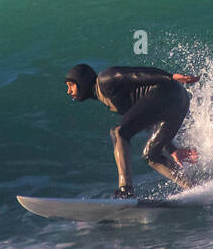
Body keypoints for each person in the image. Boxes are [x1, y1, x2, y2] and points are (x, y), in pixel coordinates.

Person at [65, 63, 200, 197]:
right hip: (179, 99)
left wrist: (170, 76)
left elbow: (138, 74)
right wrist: (172, 149)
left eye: (71, 85)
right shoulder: (109, 98)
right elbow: (150, 121)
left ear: (82, 81)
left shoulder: (105, 79)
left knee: (118, 132)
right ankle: (195, 188)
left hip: (168, 91)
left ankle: (125, 190)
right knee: (151, 155)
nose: (68, 91)